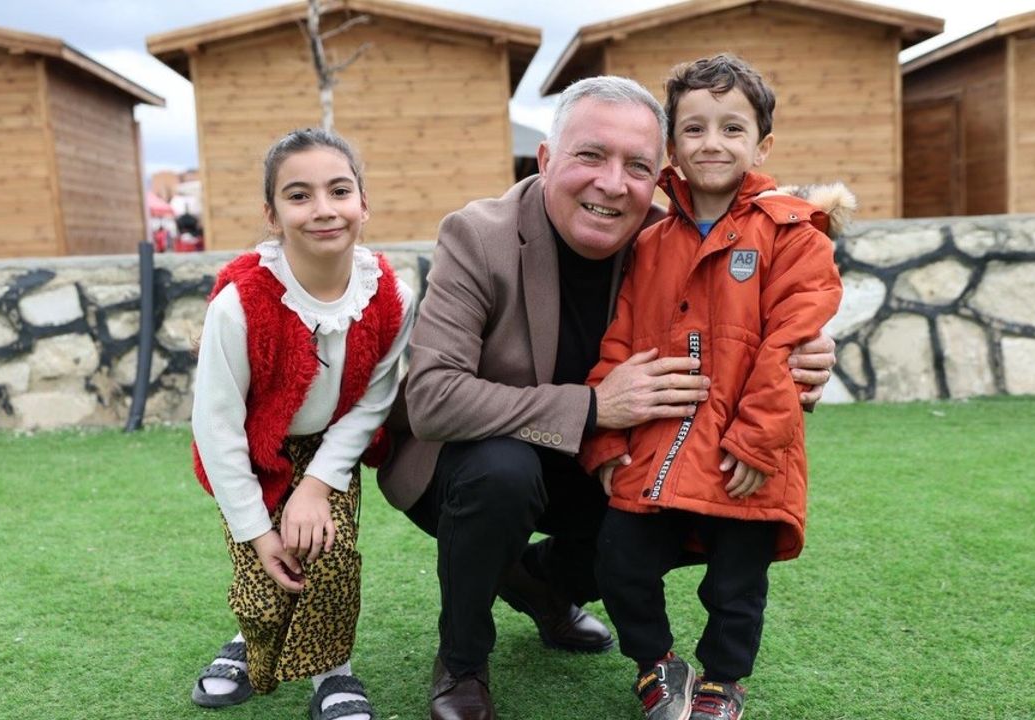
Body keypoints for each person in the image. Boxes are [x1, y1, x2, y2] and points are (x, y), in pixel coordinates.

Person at [375, 76, 838, 720]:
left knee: (664, 502)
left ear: (660, 174)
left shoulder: (669, 240)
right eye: (590, 155)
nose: (612, 184)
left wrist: (804, 359)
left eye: (637, 166)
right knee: (502, 471)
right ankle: (462, 660)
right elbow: (433, 398)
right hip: (468, 464)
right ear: (546, 159)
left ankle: (542, 584)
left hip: (598, 458)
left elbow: (750, 331)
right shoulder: (478, 235)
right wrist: (593, 408)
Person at [579, 55, 848, 720]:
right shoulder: (649, 244)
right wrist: (606, 440)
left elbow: (788, 347)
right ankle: (657, 662)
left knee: (736, 585)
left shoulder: (793, 235)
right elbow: (620, 342)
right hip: (659, 446)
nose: (712, 143)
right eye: (694, 128)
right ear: (672, 146)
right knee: (618, 560)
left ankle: (724, 681)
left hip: (749, 455)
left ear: (763, 145)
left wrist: (757, 441)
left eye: (732, 128)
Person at [188, 128, 415, 720]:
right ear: (272, 215)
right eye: (298, 195)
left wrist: (316, 485)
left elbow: (372, 401)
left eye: (339, 191)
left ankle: (331, 672)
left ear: (363, 203)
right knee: (268, 584)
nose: (323, 209)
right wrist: (258, 533)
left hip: (330, 446)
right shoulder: (239, 304)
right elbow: (216, 425)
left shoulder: (391, 294)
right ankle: (247, 639)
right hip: (252, 448)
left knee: (328, 555)